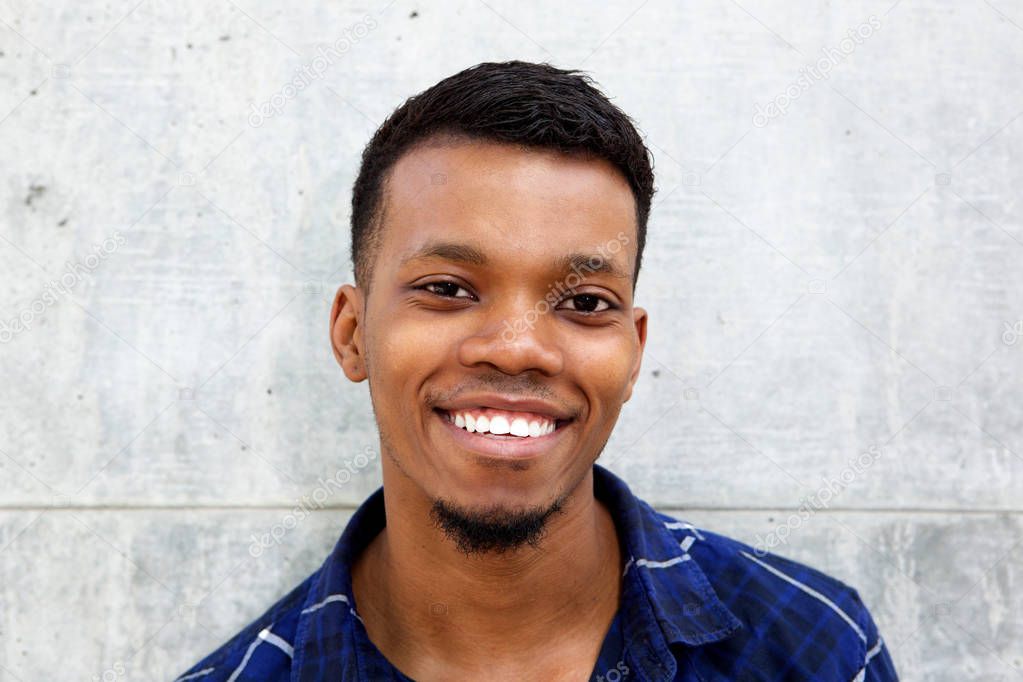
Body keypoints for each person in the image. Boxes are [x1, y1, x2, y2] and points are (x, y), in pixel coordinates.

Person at [177, 60, 898, 681]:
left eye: (585, 301)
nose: (518, 348)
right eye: (448, 289)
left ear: (633, 348)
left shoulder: (815, 651)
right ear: (351, 333)